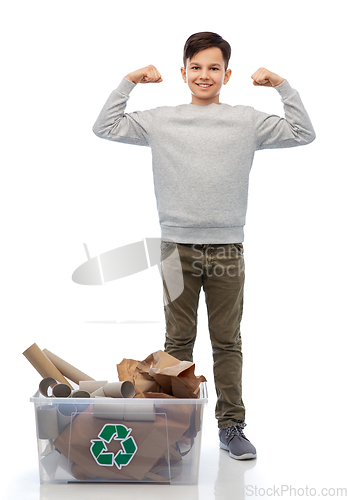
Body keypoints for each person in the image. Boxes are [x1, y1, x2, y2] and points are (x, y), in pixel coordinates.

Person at [92, 31, 316, 460]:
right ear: (183, 73)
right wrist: (130, 80)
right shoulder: (162, 120)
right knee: (177, 343)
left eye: (214, 67)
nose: (204, 75)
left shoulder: (246, 120)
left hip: (227, 248)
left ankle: (231, 427)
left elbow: (303, 132)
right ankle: (176, 429)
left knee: (227, 342)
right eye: (196, 67)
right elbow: (105, 126)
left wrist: (282, 86)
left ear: (227, 74)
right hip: (177, 248)